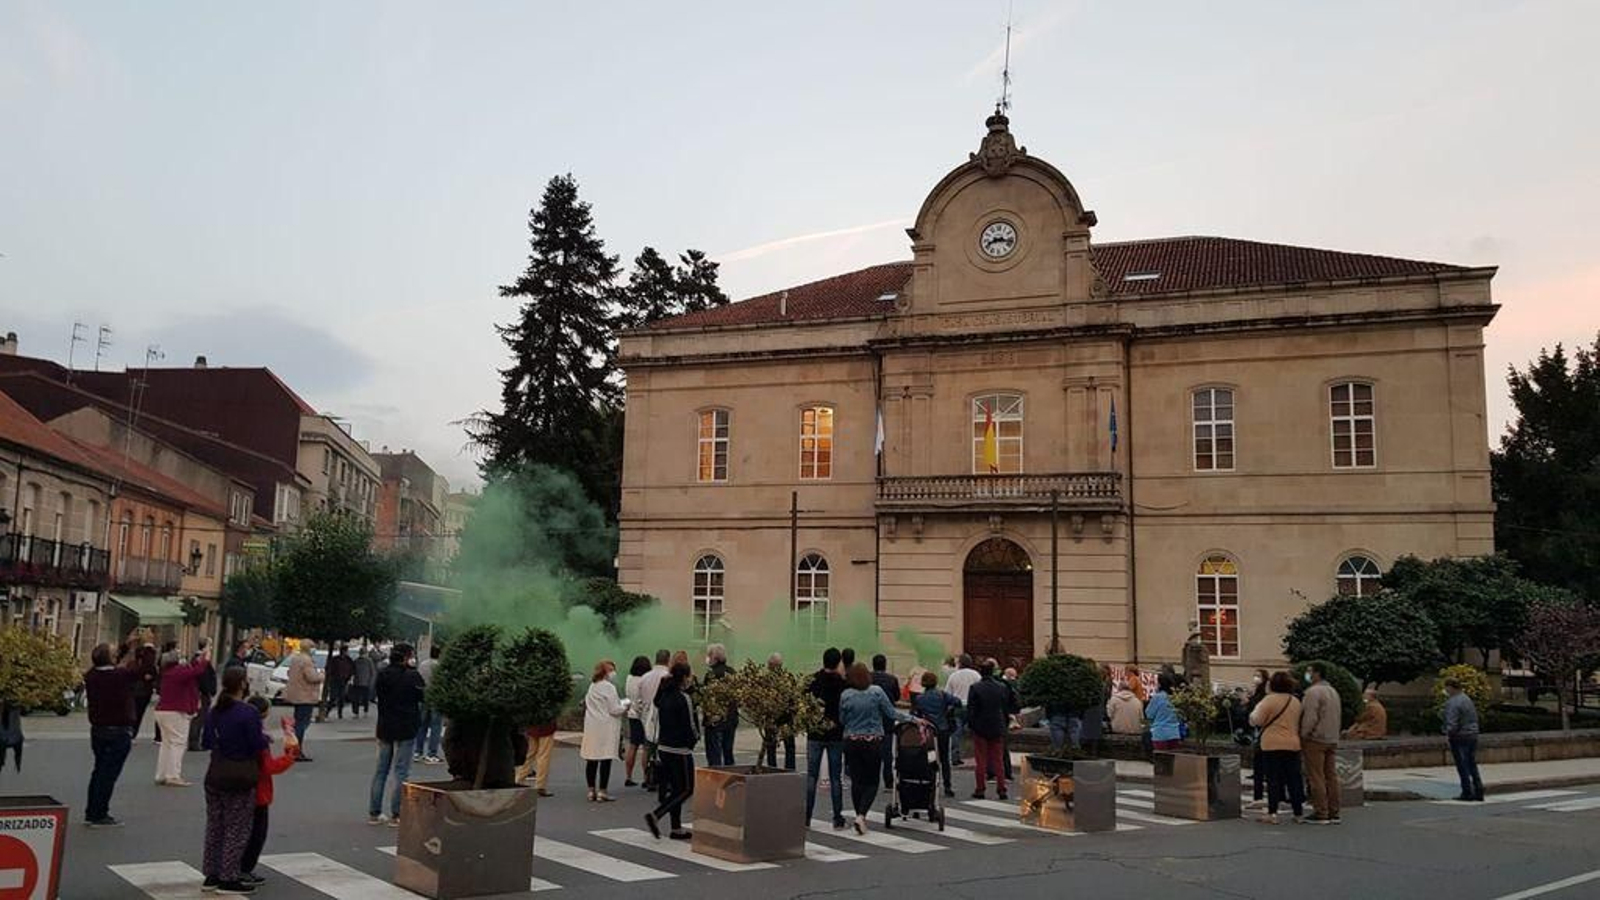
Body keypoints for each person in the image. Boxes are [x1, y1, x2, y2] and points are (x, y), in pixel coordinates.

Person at [201, 667, 269, 895]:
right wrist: (264, 738)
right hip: (240, 774)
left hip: (215, 772)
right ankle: (228, 876)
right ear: (241, 684)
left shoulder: (215, 711)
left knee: (215, 825)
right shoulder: (248, 712)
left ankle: (211, 872)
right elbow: (256, 744)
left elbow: (207, 741)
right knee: (237, 827)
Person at [839, 662, 913, 834]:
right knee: (872, 781)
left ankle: (858, 814)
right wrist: (913, 719)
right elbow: (892, 713)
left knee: (856, 781)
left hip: (851, 740)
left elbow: (842, 719)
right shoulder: (876, 692)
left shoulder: (846, 695)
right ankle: (861, 816)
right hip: (872, 740)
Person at [238, 696, 297, 886]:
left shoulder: (241, 728)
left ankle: (232, 867)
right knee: (256, 833)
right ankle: (244, 868)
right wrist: (289, 757)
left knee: (236, 830)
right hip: (257, 789)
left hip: (237, 784)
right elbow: (268, 767)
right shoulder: (257, 736)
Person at [84, 642, 140, 826]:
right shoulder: (120, 675)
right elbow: (140, 670)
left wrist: (127, 644)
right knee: (109, 774)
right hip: (118, 731)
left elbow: (108, 661)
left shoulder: (92, 676)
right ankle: (100, 813)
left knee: (99, 771)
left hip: (98, 730)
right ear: (111, 658)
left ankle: (92, 810)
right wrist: (141, 647)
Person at [369, 643, 425, 826]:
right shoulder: (412, 676)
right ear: (406, 657)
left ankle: (374, 813)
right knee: (401, 771)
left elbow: (376, 695)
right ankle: (397, 814)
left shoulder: (383, 674)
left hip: (385, 726)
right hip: (406, 727)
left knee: (381, 771)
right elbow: (422, 696)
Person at [644, 662, 698, 840]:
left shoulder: (664, 695)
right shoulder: (684, 698)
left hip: (664, 746)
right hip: (680, 750)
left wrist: (662, 683)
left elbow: (656, 701)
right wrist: (694, 740)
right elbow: (691, 726)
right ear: (684, 678)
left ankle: (676, 828)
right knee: (686, 788)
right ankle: (656, 815)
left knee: (675, 788)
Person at [1249, 671, 1305, 825]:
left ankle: (1272, 813)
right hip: (1293, 743)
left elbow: (1256, 720)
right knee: (1293, 778)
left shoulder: (1269, 700)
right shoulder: (1295, 701)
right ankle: (1298, 812)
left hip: (1272, 744)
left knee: (1273, 779)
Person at [154, 642, 211, 786]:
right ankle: (173, 775)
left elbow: (192, 669)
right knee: (178, 743)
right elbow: (197, 671)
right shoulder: (177, 672)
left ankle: (162, 774)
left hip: (163, 711)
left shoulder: (167, 673)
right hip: (176, 711)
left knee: (166, 743)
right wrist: (206, 659)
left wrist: (199, 659)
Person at [804, 647, 848, 829]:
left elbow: (804, 703)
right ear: (838, 663)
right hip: (836, 733)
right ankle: (837, 816)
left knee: (812, 776)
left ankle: (806, 816)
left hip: (815, 732)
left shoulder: (812, 680)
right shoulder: (842, 684)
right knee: (835, 777)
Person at [965, 659, 1015, 800]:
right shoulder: (1001, 687)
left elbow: (971, 710)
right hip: (997, 725)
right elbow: (1006, 706)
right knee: (998, 759)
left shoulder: (975, 688)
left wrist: (972, 725)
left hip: (980, 726)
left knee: (981, 760)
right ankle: (1001, 789)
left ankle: (980, 789)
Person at [1299, 662, 1342, 824]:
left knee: (1316, 776)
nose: (1307, 674)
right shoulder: (1333, 691)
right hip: (1331, 737)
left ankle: (1321, 812)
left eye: (1309, 672)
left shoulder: (1313, 692)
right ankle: (1334, 811)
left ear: (1317, 674)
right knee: (1331, 775)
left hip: (1315, 739)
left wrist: (1304, 734)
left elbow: (1310, 717)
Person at [581, 659, 628, 802]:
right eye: (611, 670)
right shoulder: (609, 687)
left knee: (592, 759)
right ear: (606, 672)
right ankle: (602, 791)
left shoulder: (592, 686)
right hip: (606, 727)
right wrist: (626, 706)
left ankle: (590, 790)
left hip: (592, 726)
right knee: (605, 759)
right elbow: (614, 709)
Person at [912, 670, 962, 798]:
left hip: (928, 731)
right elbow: (958, 702)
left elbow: (915, 714)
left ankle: (929, 783)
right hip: (942, 729)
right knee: (944, 758)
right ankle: (947, 786)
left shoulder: (919, 698)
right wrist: (949, 711)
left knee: (929, 758)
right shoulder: (942, 695)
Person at [1443, 678, 1483, 801]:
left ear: (1451, 687)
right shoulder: (1467, 699)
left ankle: (1467, 792)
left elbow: (1452, 723)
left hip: (1460, 737)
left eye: (1446, 687)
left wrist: (1447, 733)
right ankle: (1478, 790)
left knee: (1462, 765)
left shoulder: (1453, 702)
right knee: (1471, 764)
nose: (1446, 690)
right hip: (1472, 735)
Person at [284, 641, 324, 761]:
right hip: (305, 695)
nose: (314, 650)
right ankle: (296, 750)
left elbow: (289, 673)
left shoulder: (295, 658)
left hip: (297, 694)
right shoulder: (306, 661)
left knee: (298, 722)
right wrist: (322, 675)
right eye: (313, 647)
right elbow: (312, 677)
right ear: (309, 648)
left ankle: (294, 749)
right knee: (302, 724)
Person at [637, 649, 671, 790]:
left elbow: (639, 699)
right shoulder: (668, 676)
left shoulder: (645, 677)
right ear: (668, 660)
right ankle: (663, 778)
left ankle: (647, 777)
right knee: (664, 750)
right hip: (664, 717)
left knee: (647, 749)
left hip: (647, 717)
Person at [702, 643, 738, 767]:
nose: (707, 658)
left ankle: (716, 779)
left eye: (709, 655)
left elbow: (706, 697)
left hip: (715, 720)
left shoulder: (711, 675)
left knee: (714, 754)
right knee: (728, 751)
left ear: (714, 658)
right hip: (731, 718)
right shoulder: (732, 672)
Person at [760, 653, 797, 770]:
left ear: (771, 665)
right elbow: (794, 698)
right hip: (787, 717)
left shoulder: (767, 679)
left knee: (771, 746)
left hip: (772, 717)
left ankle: (772, 768)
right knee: (789, 746)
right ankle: (790, 769)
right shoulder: (788, 677)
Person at [869, 654, 901, 789]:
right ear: (885, 665)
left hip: (871, 718)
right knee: (887, 752)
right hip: (887, 719)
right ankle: (888, 781)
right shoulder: (892, 679)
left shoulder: (868, 679)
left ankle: (872, 779)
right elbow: (897, 696)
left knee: (871, 751)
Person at [944, 655, 980, 767]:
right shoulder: (975, 675)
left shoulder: (953, 676)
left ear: (960, 663)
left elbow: (948, 693)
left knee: (956, 732)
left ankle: (955, 756)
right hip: (972, 706)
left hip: (958, 706)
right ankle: (976, 755)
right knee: (975, 731)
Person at [1243, 668, 1271, 810]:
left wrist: (1247, 703)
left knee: (1261, 765)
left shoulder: (1265, 697)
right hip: (1270, 736)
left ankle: (1260, 797)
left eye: (1258, 676)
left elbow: (1255, 717)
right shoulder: (1292, 700)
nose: (1256, 678)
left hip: (1263, 734)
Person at [623, 655, 651, 785]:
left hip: (632, 714)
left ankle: (628, 776)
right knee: (646, 747)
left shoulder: (629, 679)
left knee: (633, 745)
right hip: (644, 716)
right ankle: (646, 777)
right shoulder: (645, 680)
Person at [189, 639, 219, 752]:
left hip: (203, 692)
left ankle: (195, 740)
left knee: (201, 717)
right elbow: (202, 677)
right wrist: (208, 690)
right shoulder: (200, 659)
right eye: (209, 645)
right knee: (199, 717)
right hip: (201, 693)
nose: (211, 648)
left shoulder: (202, 659)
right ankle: (193, 741)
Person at [516, 717, 558, 797]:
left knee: (529, 755)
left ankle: (519, 780)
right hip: (547, 727)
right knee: (544, 756)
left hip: (532, 725)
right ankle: (540, 786)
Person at [416, 643, 443, 764]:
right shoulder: (439, 666)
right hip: (436, 698)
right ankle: (432, 753)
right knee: (436, 727)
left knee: (422, 726)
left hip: (423, 697)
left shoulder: (423, 664)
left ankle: (418, 751)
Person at [1146, 673, 1183, 752]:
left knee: (1161, 760)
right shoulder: (1175, 697)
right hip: (1174, 733)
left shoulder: (1157, 697)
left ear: (1159, 684)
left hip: (1160, 733)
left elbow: (1149, 714)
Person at [131, 644, 159, 741]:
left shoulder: (134, 663)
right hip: (145, 691)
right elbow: (154, 675)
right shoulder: (150, 665)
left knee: (133, 711)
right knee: (139, 713)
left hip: (135, 690)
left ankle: (131, 732)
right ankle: (133, 733)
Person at [324, 643, 355, 721]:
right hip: (335, 681)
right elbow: (329, 668)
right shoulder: (335, 659)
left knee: (342, 698)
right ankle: (327, 712)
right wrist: (331, 677)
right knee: (333, 697)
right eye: (345, 651)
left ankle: (340, 713)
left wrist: (349, 677)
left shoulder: (348, 660)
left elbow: (352, 669)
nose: (346, 652)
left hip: (344, 681)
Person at [349, 646, 377, 719]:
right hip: (363, 683)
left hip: (360, 682)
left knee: (358, 699)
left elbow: (353, 672)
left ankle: (358, 713)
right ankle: (364, 712)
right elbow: (373, 673)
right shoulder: (367, 661)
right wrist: (371, 682)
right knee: (363, 698)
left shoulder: (359, 661)